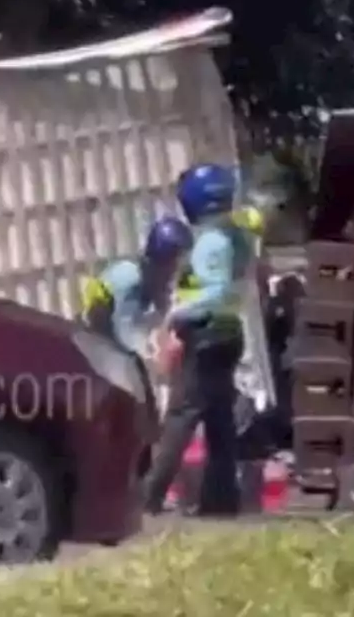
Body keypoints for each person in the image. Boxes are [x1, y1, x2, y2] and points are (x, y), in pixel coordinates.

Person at [143, 163, 255, 516]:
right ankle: (221, 499)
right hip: (229, 331)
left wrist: (178, 315)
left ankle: (147, 498)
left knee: (181, 416)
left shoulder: (210, 241)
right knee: (219, 419)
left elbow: (215, 291)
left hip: (205, 333)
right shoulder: (237, 236)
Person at [79, 216, 194, 356]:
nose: (177, 269)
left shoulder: (155, 280)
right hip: (91, 339)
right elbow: (126, 333)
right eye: (176, 261)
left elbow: (164, 319)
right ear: (163, 261)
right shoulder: (131, 279)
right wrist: (150, 354)